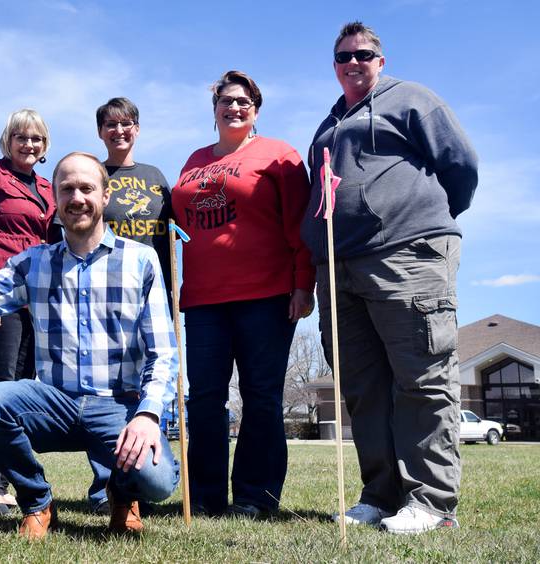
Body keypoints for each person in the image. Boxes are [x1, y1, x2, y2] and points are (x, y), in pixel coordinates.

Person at [0, 152, 180, 540]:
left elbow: (162, 353)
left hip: (117, 404)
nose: (77, 197)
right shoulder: (33, 262)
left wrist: (148, 416)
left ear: (105, 196)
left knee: (157, 480)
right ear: (55, 199)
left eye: (87, 188)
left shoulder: (141, 261)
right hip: (54, 402)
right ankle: (37, 501)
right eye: (67, 189)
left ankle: (123, 496)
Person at [300, 22, 478, 534]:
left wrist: (420, 220)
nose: (353, 61)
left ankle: (432, 502)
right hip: (340, 267)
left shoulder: (414, 100)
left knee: (422, 377)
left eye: (363, 53)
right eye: (342, 56)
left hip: (407, 255)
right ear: (333, 64)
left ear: (381, 58)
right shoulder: (329, 123)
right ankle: (380, 495)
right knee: (362, 386)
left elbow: (460, 166)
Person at [171, 70, 315, 518]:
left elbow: (301, 224)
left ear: (256, 109)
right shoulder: (194, 160)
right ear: (213, 108)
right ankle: (206, 497)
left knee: (261, 396)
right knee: (204, 398)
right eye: (226, 101)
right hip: (203, 299)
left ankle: (255, 497)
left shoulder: (278, 154)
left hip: (266, 295)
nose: (235, 108)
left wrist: (302, 284)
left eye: (244, 102)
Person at [0, 109, 60, 517]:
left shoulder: (46, 187)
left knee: (24, 393)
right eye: (21, 137)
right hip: (1, 296)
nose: (29, 145)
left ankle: (21, 486)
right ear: (8, 139)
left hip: (37, 301)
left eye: (36, 139)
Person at [83, 96, 173, 514]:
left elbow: (170, 241)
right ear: (101, 132)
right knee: (106, 388)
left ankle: (139, 474)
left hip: (150, 295)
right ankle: (106, 486)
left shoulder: (156, 178)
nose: (120, 131)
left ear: (137, 128)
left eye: (127, 124)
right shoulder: (93, 176)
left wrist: (173, 296)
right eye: (111, 125)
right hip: (102, 295)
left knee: (147, 384)